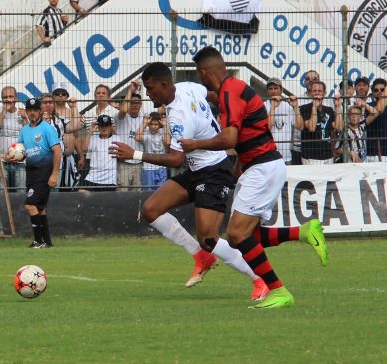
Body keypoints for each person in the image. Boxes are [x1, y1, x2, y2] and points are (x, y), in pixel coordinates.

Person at [109, 62, 270, 301]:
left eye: (151, 89)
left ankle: (260, 279)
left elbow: (175, 160)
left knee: (209, 239)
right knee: (151, 209)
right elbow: (215, 95)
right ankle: (201, 256)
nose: (148, 94)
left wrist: (134, 154)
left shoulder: (177, 116)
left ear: (164, 85)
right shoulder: (186, 87)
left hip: (215, 171)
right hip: (197, 169)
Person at [184, 47, 328, 308]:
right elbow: (248, 135)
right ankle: (305, 232)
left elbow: (230, 138)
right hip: (259, 166)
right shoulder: (234, 89)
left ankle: (278, 290)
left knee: (237, 234)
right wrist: (239, 167)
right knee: (250, 236)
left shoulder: (229, 92)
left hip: (263, 167)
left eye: (199, 75)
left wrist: (195, 144)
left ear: (204, 73)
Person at [6, 98, 61, 249]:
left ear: (40, 112)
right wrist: (11, 157)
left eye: (35, 110)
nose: (32, 113)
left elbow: (57, 151)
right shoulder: (24, 130)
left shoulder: (47, 128)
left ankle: (38, 241)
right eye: (30, 110)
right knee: (40, 208)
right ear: (27, 112)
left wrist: (54, 174)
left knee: (30, 205)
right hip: (31, 171)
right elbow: (20, 151)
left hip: (44, 171)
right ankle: (47, 242)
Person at [295, 79, 342, 164]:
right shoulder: (304, 108)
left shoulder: (329, 109)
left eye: (319, 91)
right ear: (311, 93)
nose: (317, 93)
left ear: (324, 93)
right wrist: (314, 107)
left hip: (327, 155)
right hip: (310, 157)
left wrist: (338, 106)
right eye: (314, 91)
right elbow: (311, 128)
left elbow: (339, 127)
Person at [79, 114, 121, 190]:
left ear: (110, 126)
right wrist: (90, 131)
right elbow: (84, 149)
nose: (104, 128)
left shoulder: (117, 139)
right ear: (98, 127)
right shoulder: (93, 138)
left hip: (109, 179)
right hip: (93, 176)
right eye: (102, 125)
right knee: (81, 192)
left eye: (106, 125)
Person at [116, 82, 145, 190]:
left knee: (138, 193)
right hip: (124, 163)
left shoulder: (144, 117)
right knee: (122, 192)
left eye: (137, 103)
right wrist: (130, 90)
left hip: (139, 162)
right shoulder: (120, 117)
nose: (134, 105)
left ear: (141, 104)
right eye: (132, 102)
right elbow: (123, 110)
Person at [0, 86, 28, 189]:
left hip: (20, 159)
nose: (8, 99)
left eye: (11, 96)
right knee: (1, 191)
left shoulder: (22, 112)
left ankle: (20, 206)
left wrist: (25, 118)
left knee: (21, 190)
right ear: (2, 99)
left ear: (16, 98)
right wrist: (4, 111)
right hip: (2, 159)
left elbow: (29, 133)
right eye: (5, 97)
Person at [134, 112, 169, 190]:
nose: (153, 126)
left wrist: (165, 126)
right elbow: (137, 138)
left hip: (161, 167)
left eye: (156, 124)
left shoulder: (163, 132)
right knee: (148, 193)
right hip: (148, 168)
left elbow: (167, 142)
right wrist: (144, 124)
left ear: (160, 125)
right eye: (151, 124)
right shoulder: (146, 134)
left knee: (161, 193)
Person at [264, 77, 295, 164]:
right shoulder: (263, 106)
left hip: (286, 155)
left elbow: (299, 126)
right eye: (270, 89)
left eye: (276, 88)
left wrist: (296, 107)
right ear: (267, 91)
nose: (273, 91)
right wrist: (273, 107)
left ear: (281, 90)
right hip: (269, 154)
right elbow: (267, 128)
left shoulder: (288, 106)